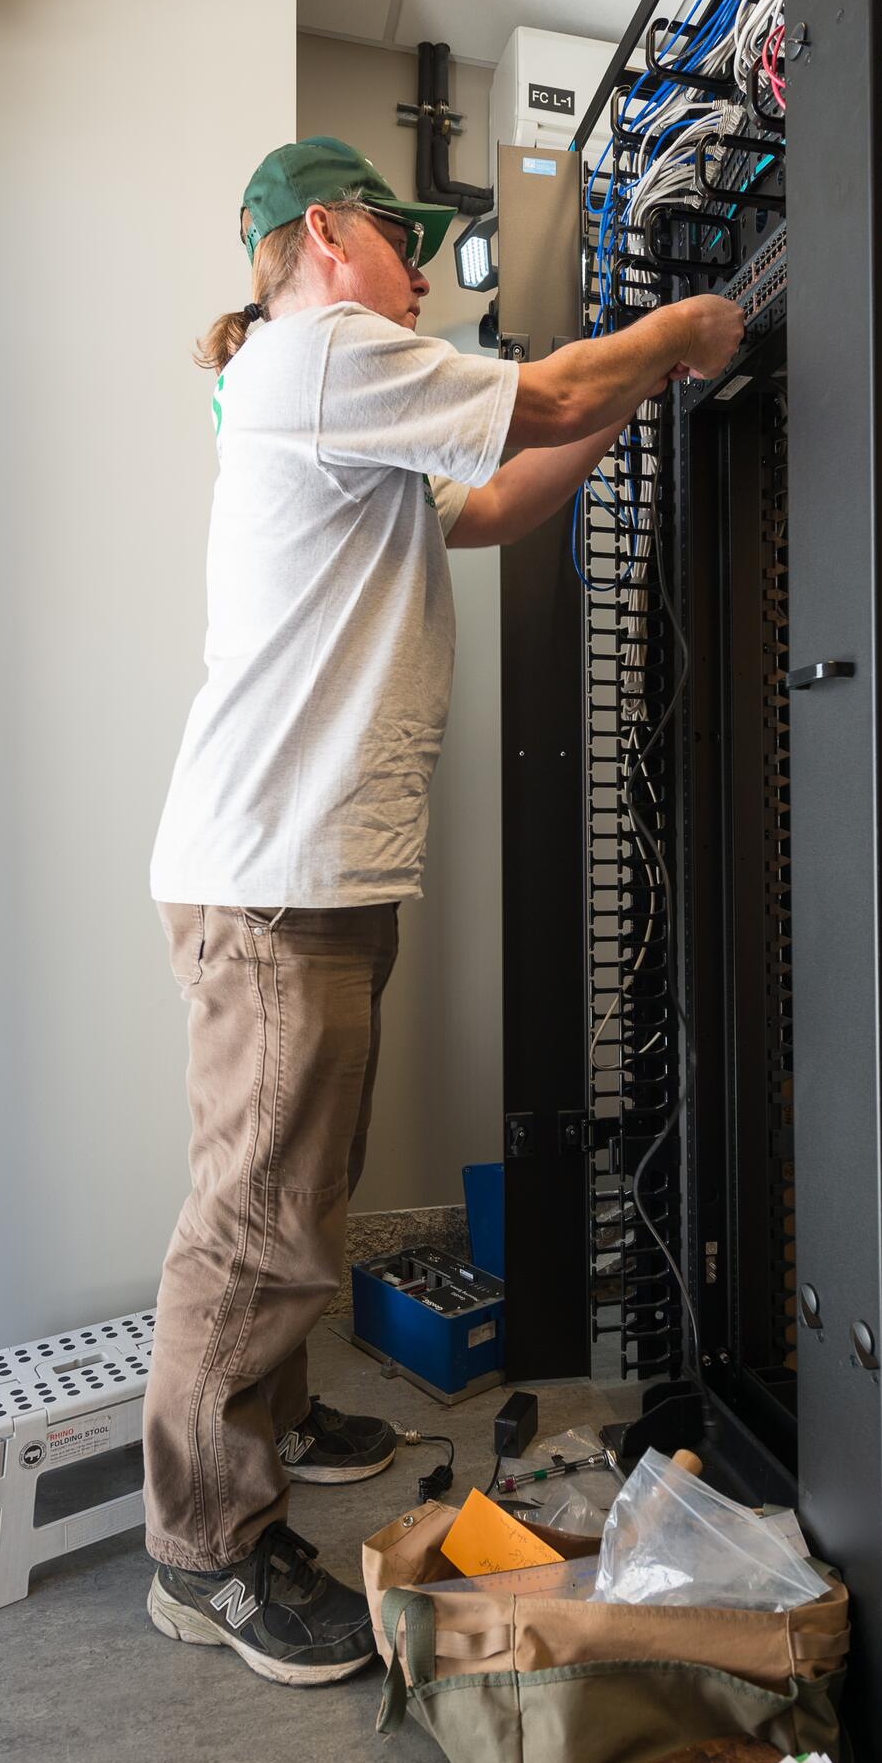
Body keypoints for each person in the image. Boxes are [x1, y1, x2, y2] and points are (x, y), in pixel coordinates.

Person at [144, 136, 744, 1685]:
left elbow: (487, 504)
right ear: (328, 235)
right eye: (403, 242)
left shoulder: (338, 387)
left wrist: (625, 404)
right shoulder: (318, 349)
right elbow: (531, 401)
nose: (423, 270)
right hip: (274, 875)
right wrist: (677, 333)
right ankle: (201, 1542)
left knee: (305, 1188)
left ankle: (273, 1417)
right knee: (254, 1217)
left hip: (314, 868)